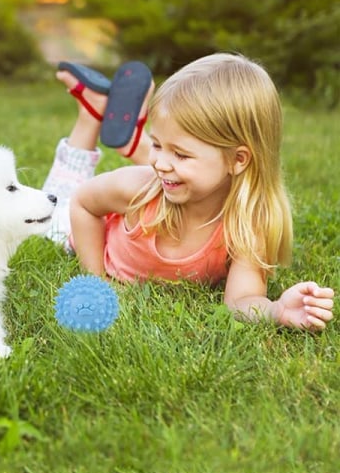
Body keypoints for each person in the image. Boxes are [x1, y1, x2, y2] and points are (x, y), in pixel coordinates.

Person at [43, 52, 335, 331]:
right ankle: (91, 115)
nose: (159, 162)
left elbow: (240, 301)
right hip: (79, 230)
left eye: (181, 154)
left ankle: (117, 126)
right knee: (53, 208)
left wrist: (276, 310)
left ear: (238, 159)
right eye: (156, 146)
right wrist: (97, 281)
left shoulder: (247, 224)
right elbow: (82, 202)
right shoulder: (139, 188)